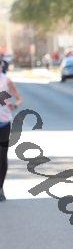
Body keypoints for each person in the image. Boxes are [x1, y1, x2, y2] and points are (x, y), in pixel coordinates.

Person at [0, 71, 23, 201]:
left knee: (2, 156)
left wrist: (15, 105)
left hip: (3, 123)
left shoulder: (6, 81)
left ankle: (0, 187)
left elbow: (19, 99)